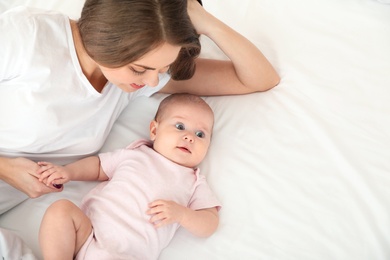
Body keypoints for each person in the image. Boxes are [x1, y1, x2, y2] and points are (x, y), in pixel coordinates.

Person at [0, 0, 279, 214]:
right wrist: (5, 169)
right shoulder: (27, 36)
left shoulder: (131, 83)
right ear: (110, 40)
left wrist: (207, 22)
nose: (152, 81)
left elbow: (258, 79)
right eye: (139, 69)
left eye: (163, 68)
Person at [37, 93, 220, 259]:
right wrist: (68, 172)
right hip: (87, 235)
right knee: (61, 209)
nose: (189, 137)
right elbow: (99, 166)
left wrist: (182, 215)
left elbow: (210, 223)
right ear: (155, 130)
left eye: (200, 134)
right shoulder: (134, 153)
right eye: (180, 126)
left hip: (129, 255)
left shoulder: (194, 181)